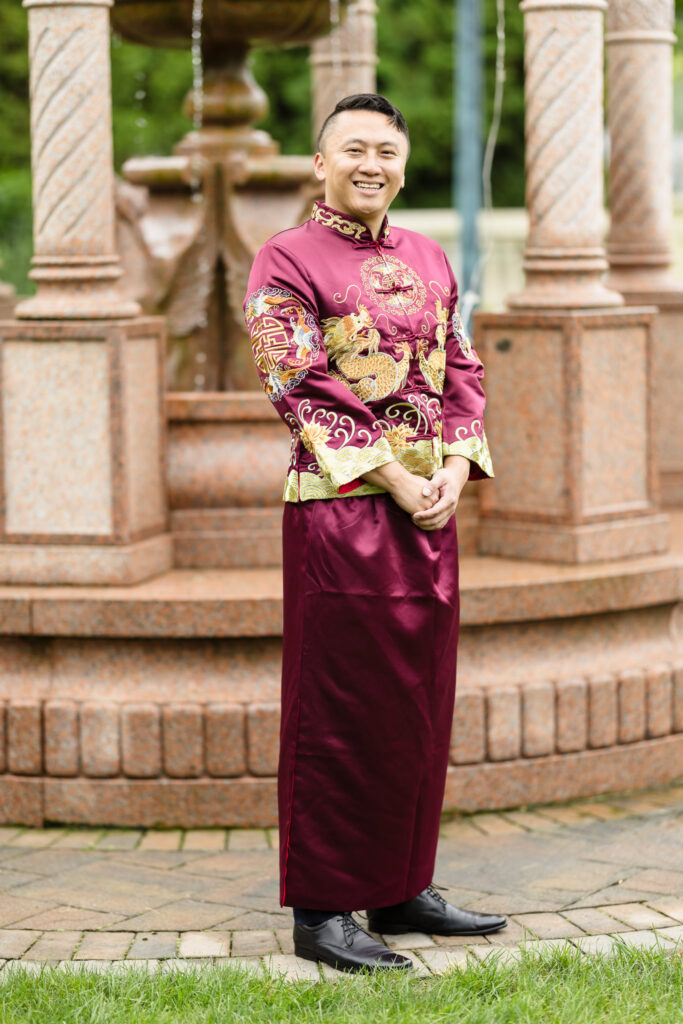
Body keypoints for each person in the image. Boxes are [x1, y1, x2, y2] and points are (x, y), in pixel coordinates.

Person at [243, 93, 506, 974]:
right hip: (340, 506)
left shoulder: (429, 255)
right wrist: (392, 475)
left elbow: (458, 366)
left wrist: (455, 471)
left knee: (417, 700)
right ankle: (322, 912)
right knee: (338, 706)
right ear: (319, 164)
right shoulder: (284, 259)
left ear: (400, 164)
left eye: (386, 151)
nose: (371, 164)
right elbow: (298, 381)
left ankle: (400, 886)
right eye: (352, 149)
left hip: (428, 505)